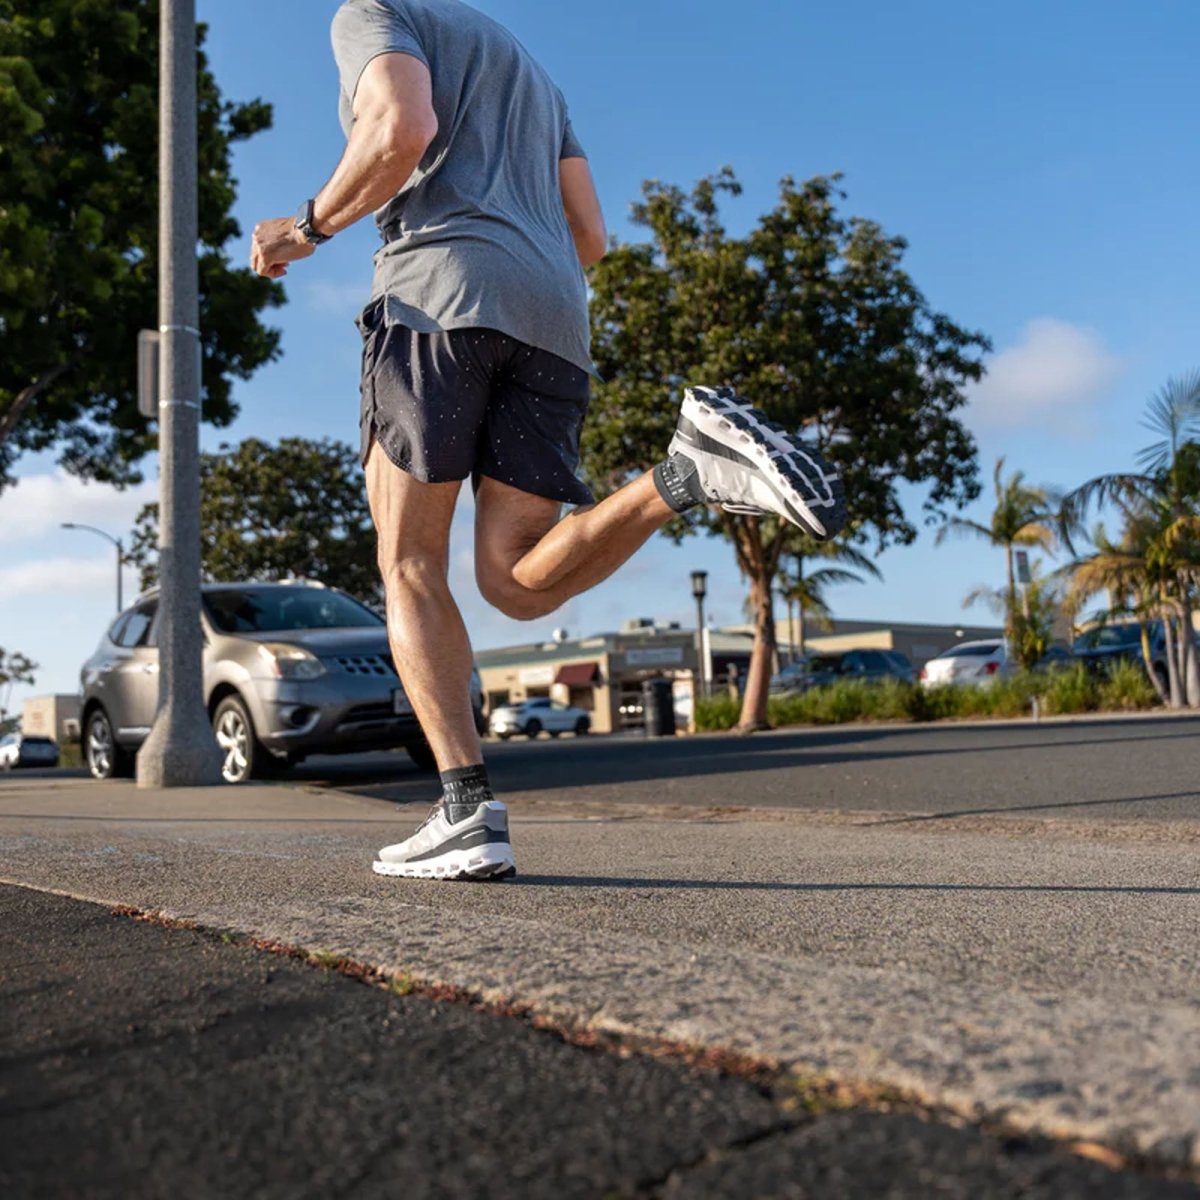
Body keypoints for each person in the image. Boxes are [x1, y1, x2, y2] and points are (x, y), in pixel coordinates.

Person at [250, 0, 846, 881]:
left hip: (437, 297)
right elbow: (591, 239)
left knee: (410, 562)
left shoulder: (373, 13)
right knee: (516, 582)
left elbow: (402, 127)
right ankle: (680, 476)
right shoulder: (530, 69)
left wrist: (303, 229)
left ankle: (461, 811)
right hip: (555, 317)